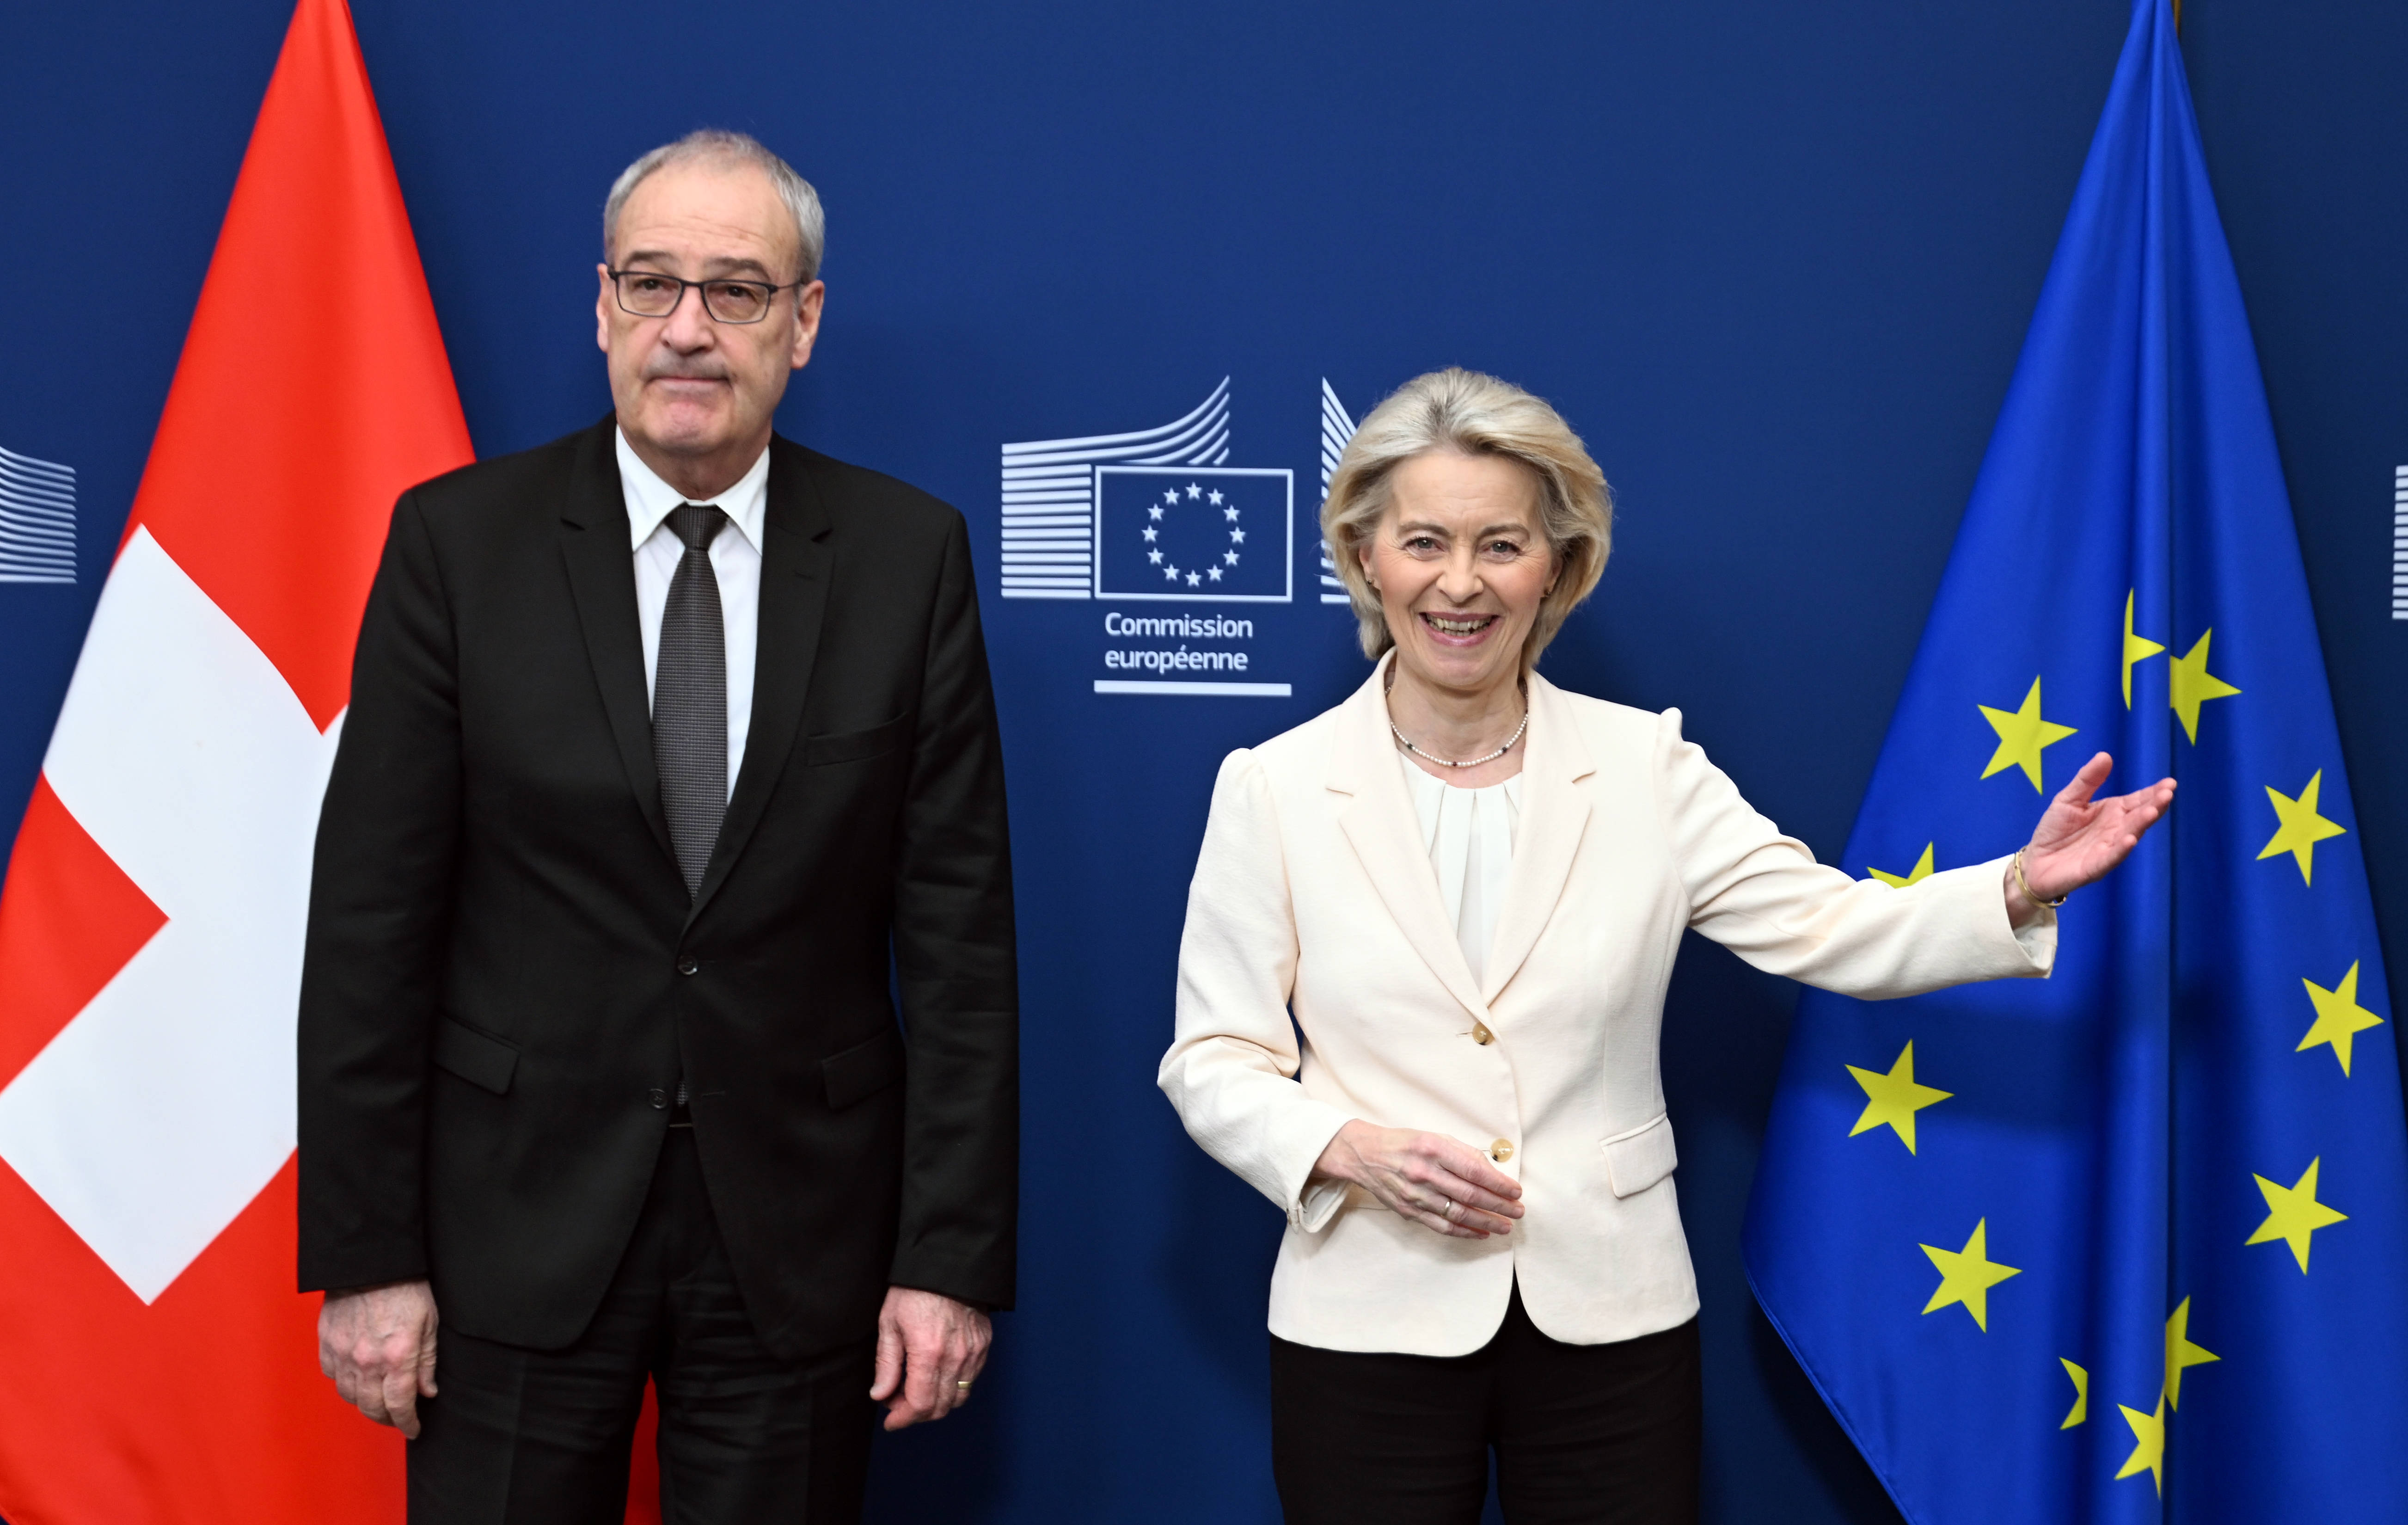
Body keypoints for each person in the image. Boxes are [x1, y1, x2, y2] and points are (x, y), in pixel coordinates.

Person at [1158, 367, 2173, 1525]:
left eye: (1501, 544)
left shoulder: (1647, 764)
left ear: (1558, 566)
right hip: (1363, 1318)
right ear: (1365, 554)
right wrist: (1345, 1144)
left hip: (1611, 1314)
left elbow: (1830, 923)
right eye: (1424, 540)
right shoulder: (1274, 786)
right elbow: (1214, 1059)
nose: (1459, 581)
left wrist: (2017, 884)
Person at [297, 130, 1017, 1523]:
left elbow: (960, 949)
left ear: (803, 322)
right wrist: (368, 1254)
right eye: (652, 285)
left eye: (737, 291)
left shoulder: (904, 557)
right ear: (602, 307)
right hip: (509, 1232)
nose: (688, 330)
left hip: (801, 1245)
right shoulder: (457, 544)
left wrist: (948, 1258)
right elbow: (370, 927)